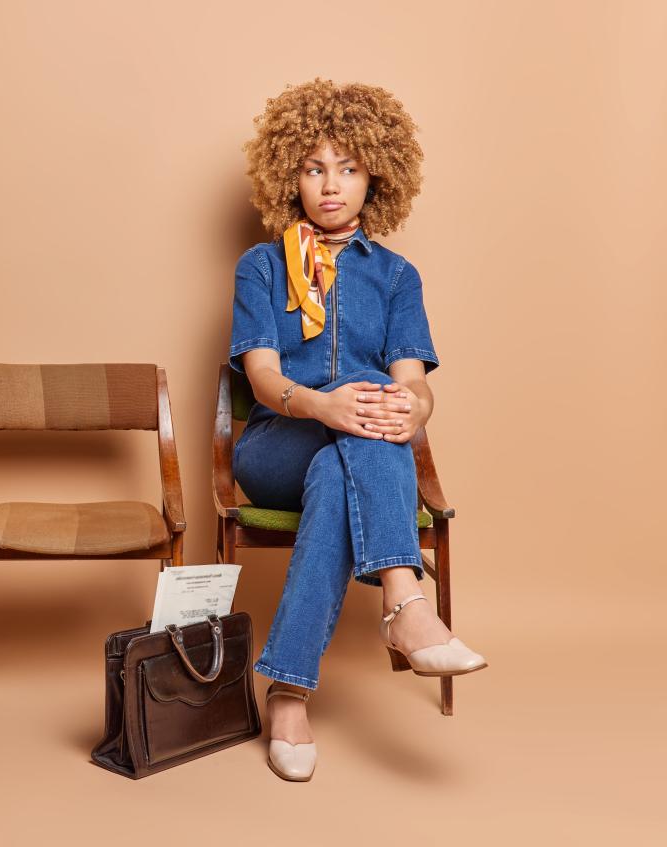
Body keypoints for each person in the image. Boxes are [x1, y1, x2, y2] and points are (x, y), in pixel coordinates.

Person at [229, 78, 487, 783]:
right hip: (276, 444)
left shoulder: (398, 277)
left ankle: (287, 692)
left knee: (354, 451)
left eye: (347, 167)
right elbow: (262, 382)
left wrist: (415, 409)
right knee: (361, 403)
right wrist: (331, 403)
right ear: (291, 175)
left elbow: (414, 383)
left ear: (376, 174)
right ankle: (406, 603)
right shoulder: (260, 266)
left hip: (353, 452)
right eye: (315, 167)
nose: (331, 184)